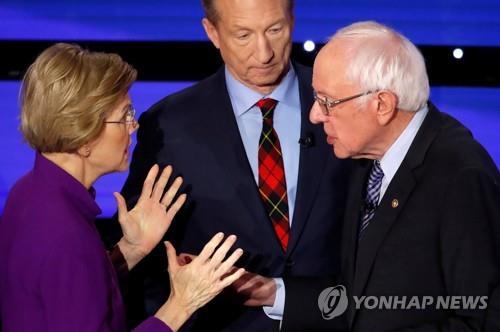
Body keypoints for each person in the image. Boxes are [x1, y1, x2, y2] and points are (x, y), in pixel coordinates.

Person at [113, 0, 350, 330]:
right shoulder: (169, 125)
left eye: (275, 30)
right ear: (212, 33)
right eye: (243, 35)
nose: (264, 52)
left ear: (292, 21)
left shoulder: (347, 103)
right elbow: (147, 263)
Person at [0, 43, 245, 332]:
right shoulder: (65, 233)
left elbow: (74, 300)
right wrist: (181, 305)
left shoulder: (29, 193)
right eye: (125, 114)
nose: (134, 126)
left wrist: (130, 250)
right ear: (85, 134)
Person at [278, 21, 500, 331]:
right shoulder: (365, 160)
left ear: (382, 105)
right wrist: (272, 293)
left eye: (327, 101)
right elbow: (359, 295)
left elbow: (483, 319)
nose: (315, 115)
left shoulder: (461, 176)